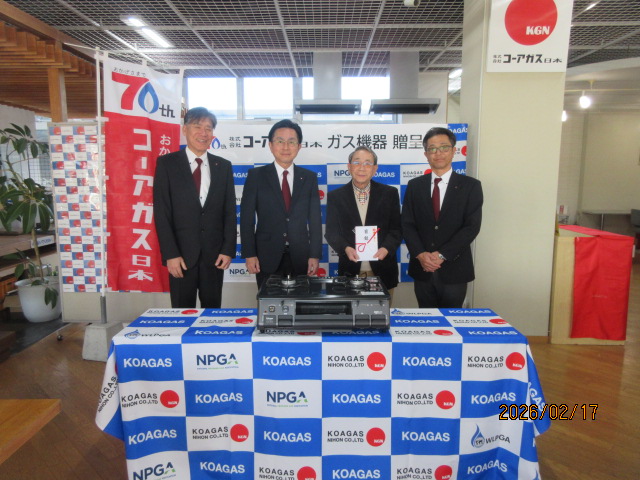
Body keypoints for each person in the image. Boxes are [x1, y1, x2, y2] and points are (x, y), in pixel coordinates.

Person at [153, 107, 235, 308]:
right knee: (182, 313)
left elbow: (229, 212)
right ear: (185, 129)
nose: (203, 133)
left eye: (208, 128)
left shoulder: (223, 166)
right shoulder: (167, 164)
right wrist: (170, 254)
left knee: (212, 313)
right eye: (197, 126)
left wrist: (227, 250)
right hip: (180, 256)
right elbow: (162, 213)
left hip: (214, 257)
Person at [401, 127, 483, 308]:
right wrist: (421, 254)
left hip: (455, 269)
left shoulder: (471, 186)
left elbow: (472, 226)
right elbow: (407, 224)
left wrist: (442, 255)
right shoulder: (415, 186)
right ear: (426, 154)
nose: (438, 153)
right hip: (422, 268)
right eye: (432, 149)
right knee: (426, 319)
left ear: (453, 151)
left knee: (452, 319)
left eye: (444, 147)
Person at [240, 119, 322, 287]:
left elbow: (315, 219)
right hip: (265, 256)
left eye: (291, 142)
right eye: (280, 141)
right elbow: (247, 219)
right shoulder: (256, 176)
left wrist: (314, 254)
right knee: (268, 301)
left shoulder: (309, 178)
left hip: (301, 256)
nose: (286, 147)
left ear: (299, 146)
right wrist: (249, 254)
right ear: (270, 145)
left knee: (299, 301)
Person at [325, 146, 401, 295]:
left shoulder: (389, 194)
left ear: (375, 169)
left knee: (382, 311)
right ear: (349, 166)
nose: (362, 168)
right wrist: (346, 248)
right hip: (350, 271)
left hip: (383, 270)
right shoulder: (336, 197)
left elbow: (396, 229)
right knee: (352, 310)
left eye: (367, 163)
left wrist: (386, 248)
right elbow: (331, 232)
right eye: (357, 162)